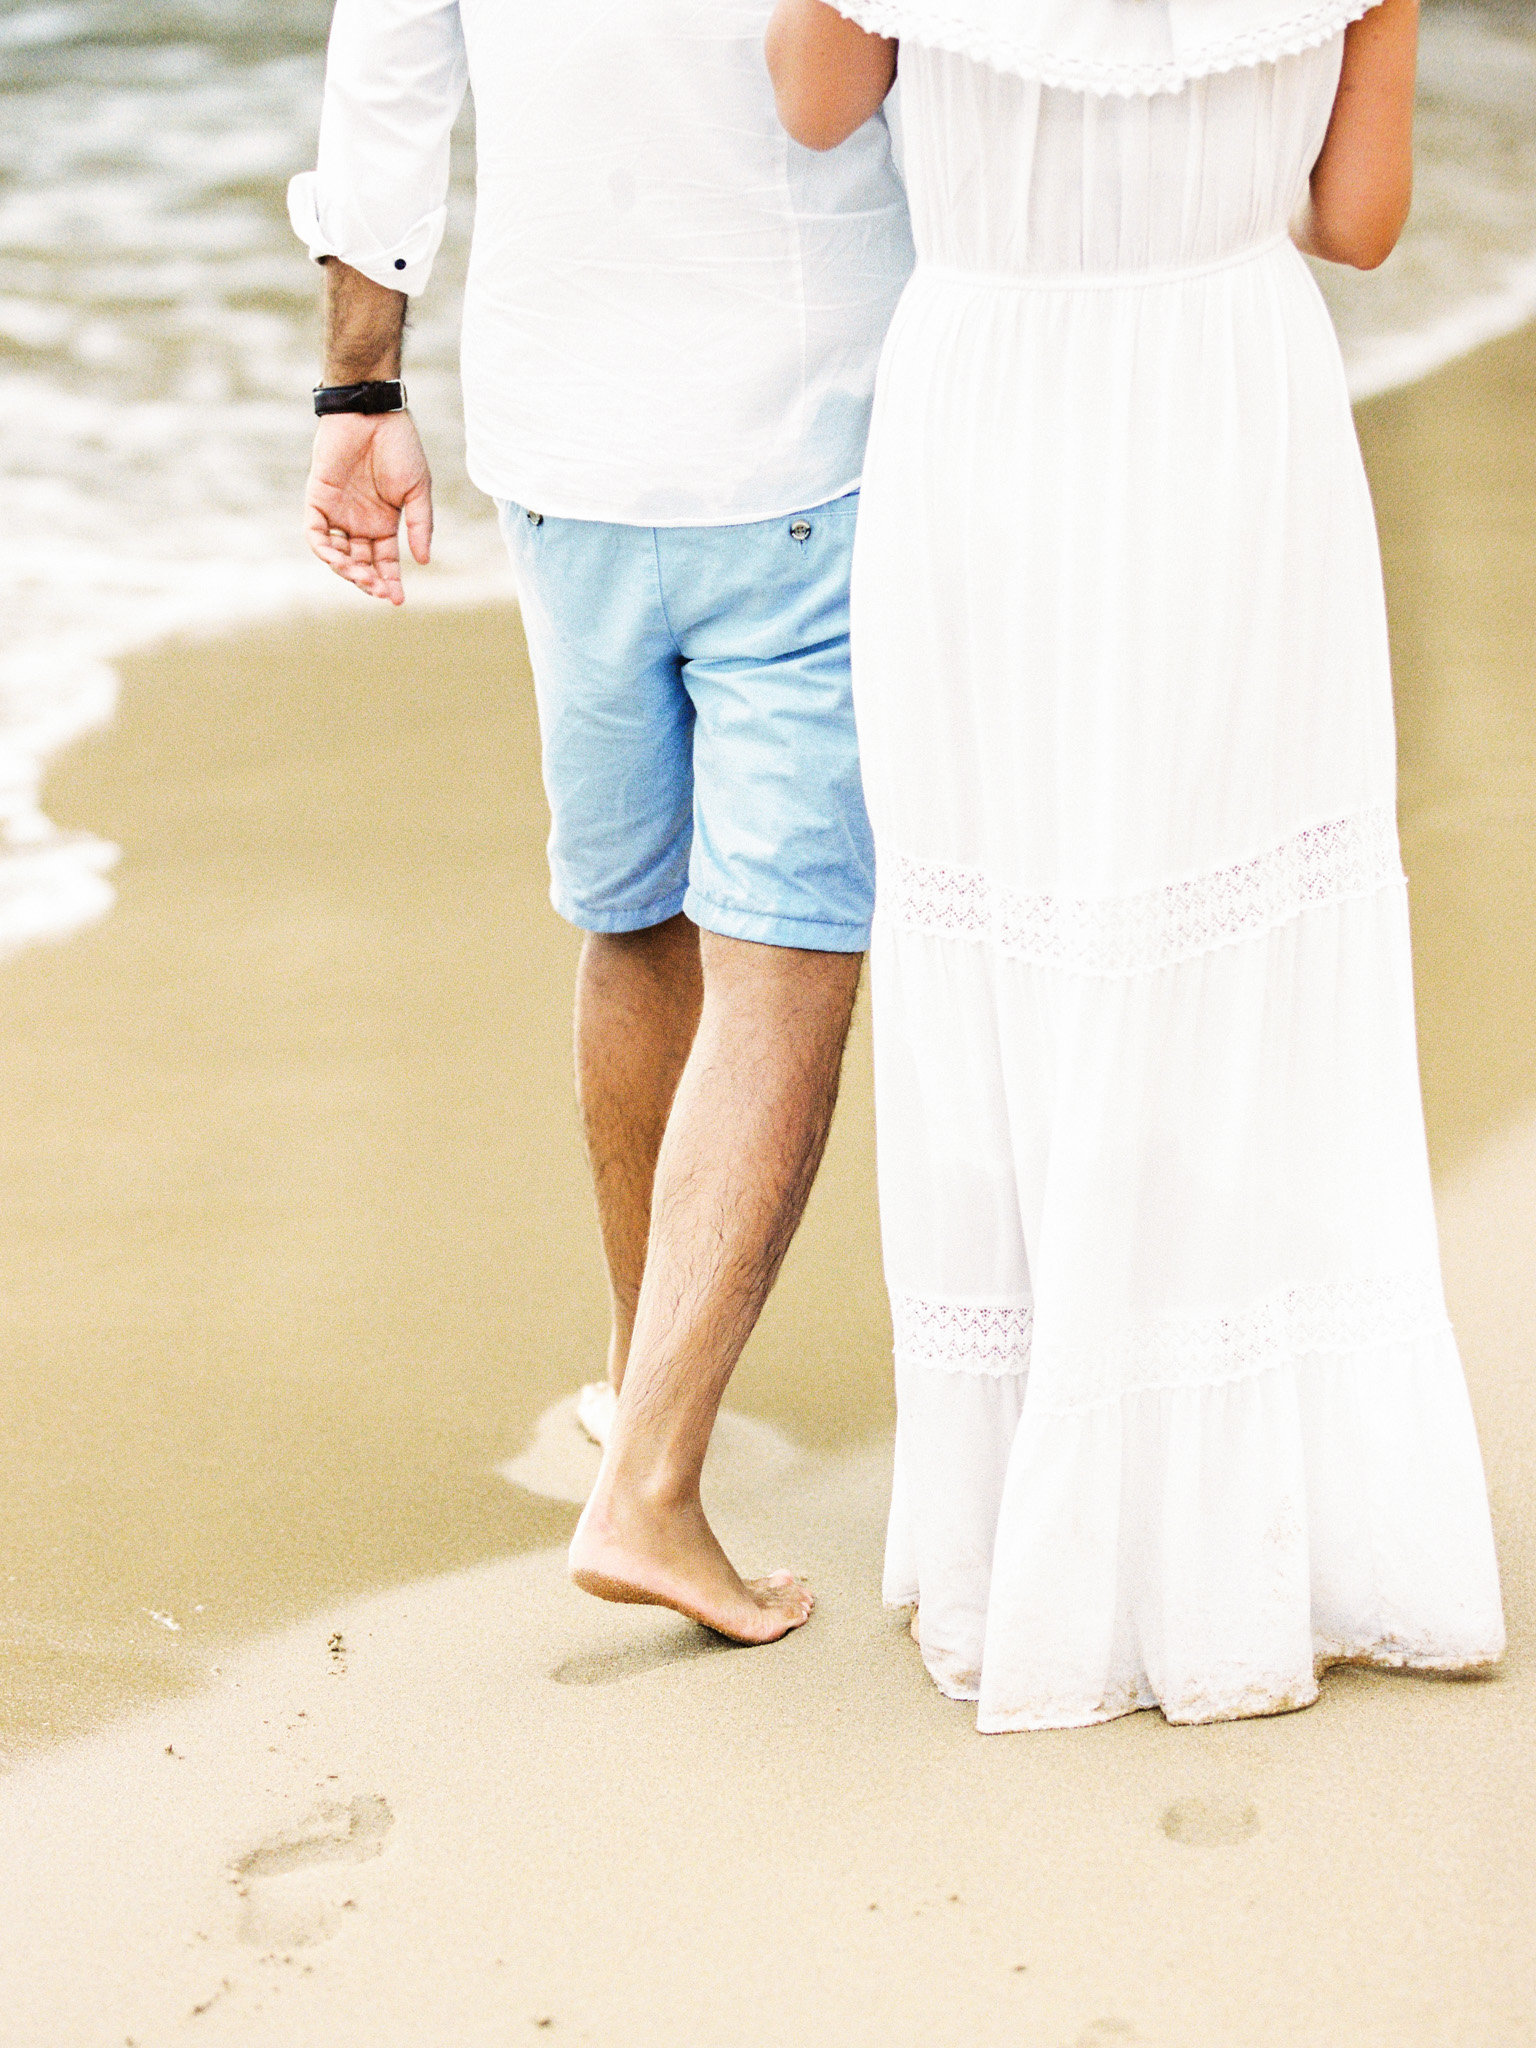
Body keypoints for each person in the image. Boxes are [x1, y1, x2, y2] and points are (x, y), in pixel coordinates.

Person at [766, 0, 1506, 1726]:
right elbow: (1364, 220)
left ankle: (1037, 1513)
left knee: (1021, 925)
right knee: (1231, 933)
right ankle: (1252, 1528)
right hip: (1235, 414)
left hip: (991, 420)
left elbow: (813, 109)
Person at [291, 0, 913, 1644]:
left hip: (563, 441)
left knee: (634, 923)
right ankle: (650, 1487)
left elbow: (389, 76)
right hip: (810, 431)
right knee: (787, 968)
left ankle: (643, 1388)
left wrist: (356, 390)